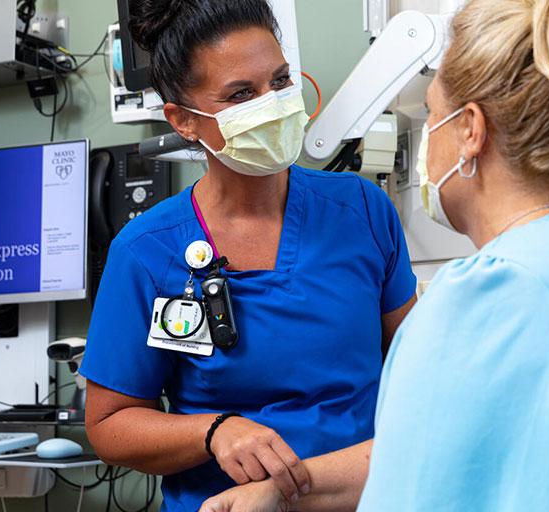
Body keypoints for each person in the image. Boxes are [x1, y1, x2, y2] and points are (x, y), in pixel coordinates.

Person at [200, 0, 549, 510]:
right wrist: (289, 489)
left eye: (432, 116)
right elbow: (444, 456)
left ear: (470, 131)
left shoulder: (493, 297)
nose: (430, 139)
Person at [78, 1, 417, 510]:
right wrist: (215, 432)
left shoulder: (360, 210)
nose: (274, 103)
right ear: (183, 121)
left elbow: (416, 372)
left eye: (280, 81)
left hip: (356, 495)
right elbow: (110, 426)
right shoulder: (147, 251)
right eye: (241, 94)